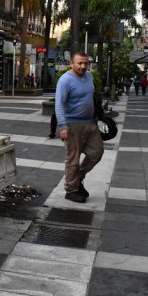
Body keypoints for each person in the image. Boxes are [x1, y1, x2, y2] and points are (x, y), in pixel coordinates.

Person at [55, 52, 104, 203]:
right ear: (71, 63)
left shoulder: (89, 76)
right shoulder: (65, 80)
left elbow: (91, 97)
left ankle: (78, 178)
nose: (83, 66)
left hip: (90, 123)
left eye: (85, 63)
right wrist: (63, 126)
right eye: (79, 63)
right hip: (72, 124)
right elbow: (59, 104)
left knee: (97, 152)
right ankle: (71, 190)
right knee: (73, 159)